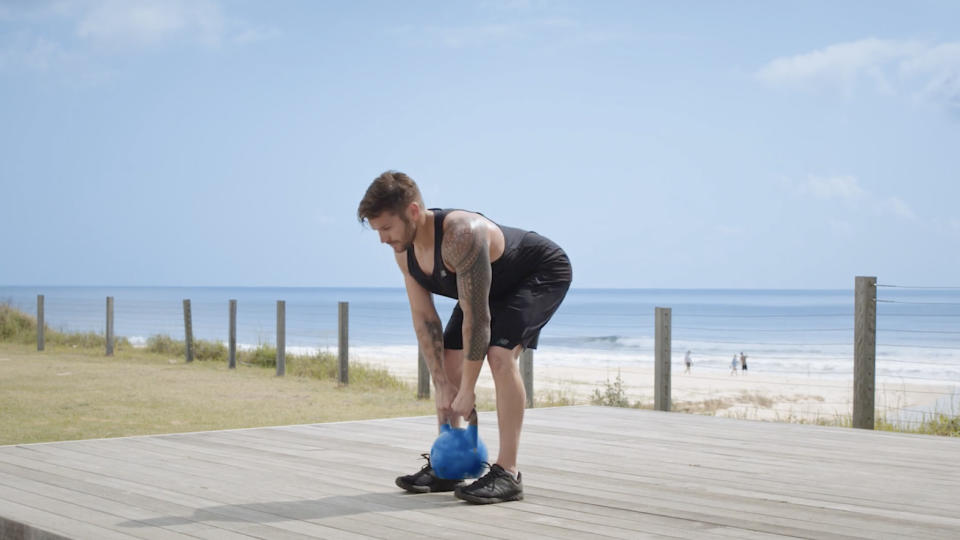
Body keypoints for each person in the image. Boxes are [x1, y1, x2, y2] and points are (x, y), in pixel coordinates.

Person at [357, 171, 572, 504]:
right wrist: (442, 383)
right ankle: (452, 464)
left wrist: (468, 390)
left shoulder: (461, 234)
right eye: (377, 231)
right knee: (448, 362)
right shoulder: (404, 250)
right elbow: (424, 318)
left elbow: (478, 319)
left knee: (500, 356)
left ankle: (508, 472)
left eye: (386, 228)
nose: (383, 239)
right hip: (484, 291)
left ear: (413, 212)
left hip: (538, 274)